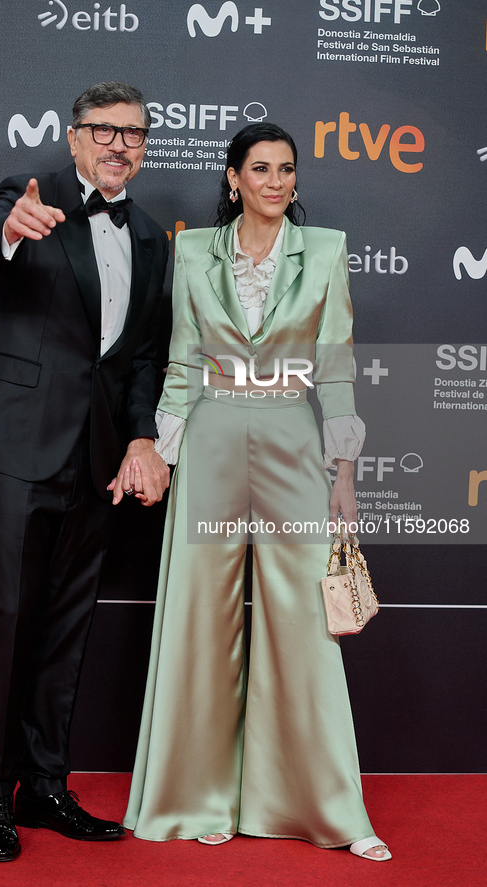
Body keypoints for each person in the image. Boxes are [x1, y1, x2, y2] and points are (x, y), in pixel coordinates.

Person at [123, 123, 391, 862]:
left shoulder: (326, 250)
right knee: (197, 618)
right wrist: (165, 457)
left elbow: (334, 368)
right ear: (233, 178)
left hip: (288, 437)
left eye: (286, 170)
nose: (276, 181)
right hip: (209, 436)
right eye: (260, 169)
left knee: (304, 620)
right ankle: (198, 797)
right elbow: (180, 361)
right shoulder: (192, 250)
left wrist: (342, 472)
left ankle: (329, 809)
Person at [0, 81, 170, 862]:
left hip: (99, 458)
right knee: (8, 614)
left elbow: (142, 359)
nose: (119, 144)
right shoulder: (24, 197)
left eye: (133, 133)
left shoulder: (147, 237)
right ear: (74, 139)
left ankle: (44, 784)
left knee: (68, 625)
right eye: (103, 130)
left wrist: (142, 438)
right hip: (16, 445)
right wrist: (6, 230)